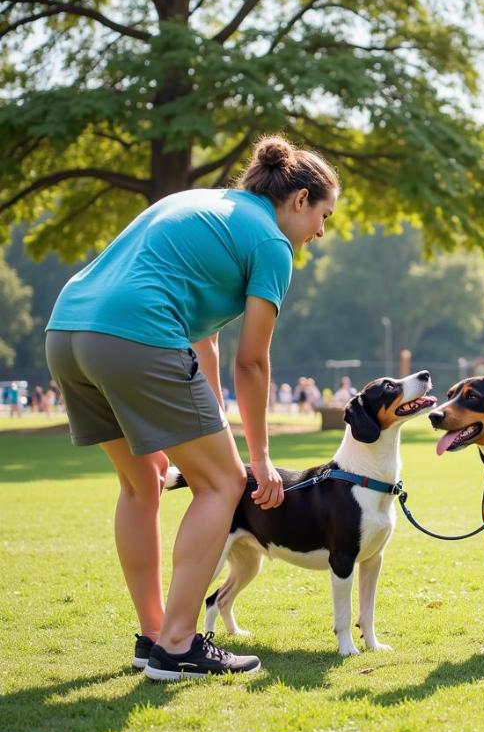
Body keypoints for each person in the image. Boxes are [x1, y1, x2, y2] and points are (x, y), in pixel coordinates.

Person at [45, 135, 340, 679]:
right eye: (323, 216)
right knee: (223, 484)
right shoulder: (272, 243)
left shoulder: (200, 204)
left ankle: (155, 637)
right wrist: (260, 458)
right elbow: (252, 364)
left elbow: (206, 341)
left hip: (68, 331)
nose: (320, 232)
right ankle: (179, 644)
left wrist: (212, 427)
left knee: (145, 480)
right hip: (135, 334)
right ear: (299, 200)